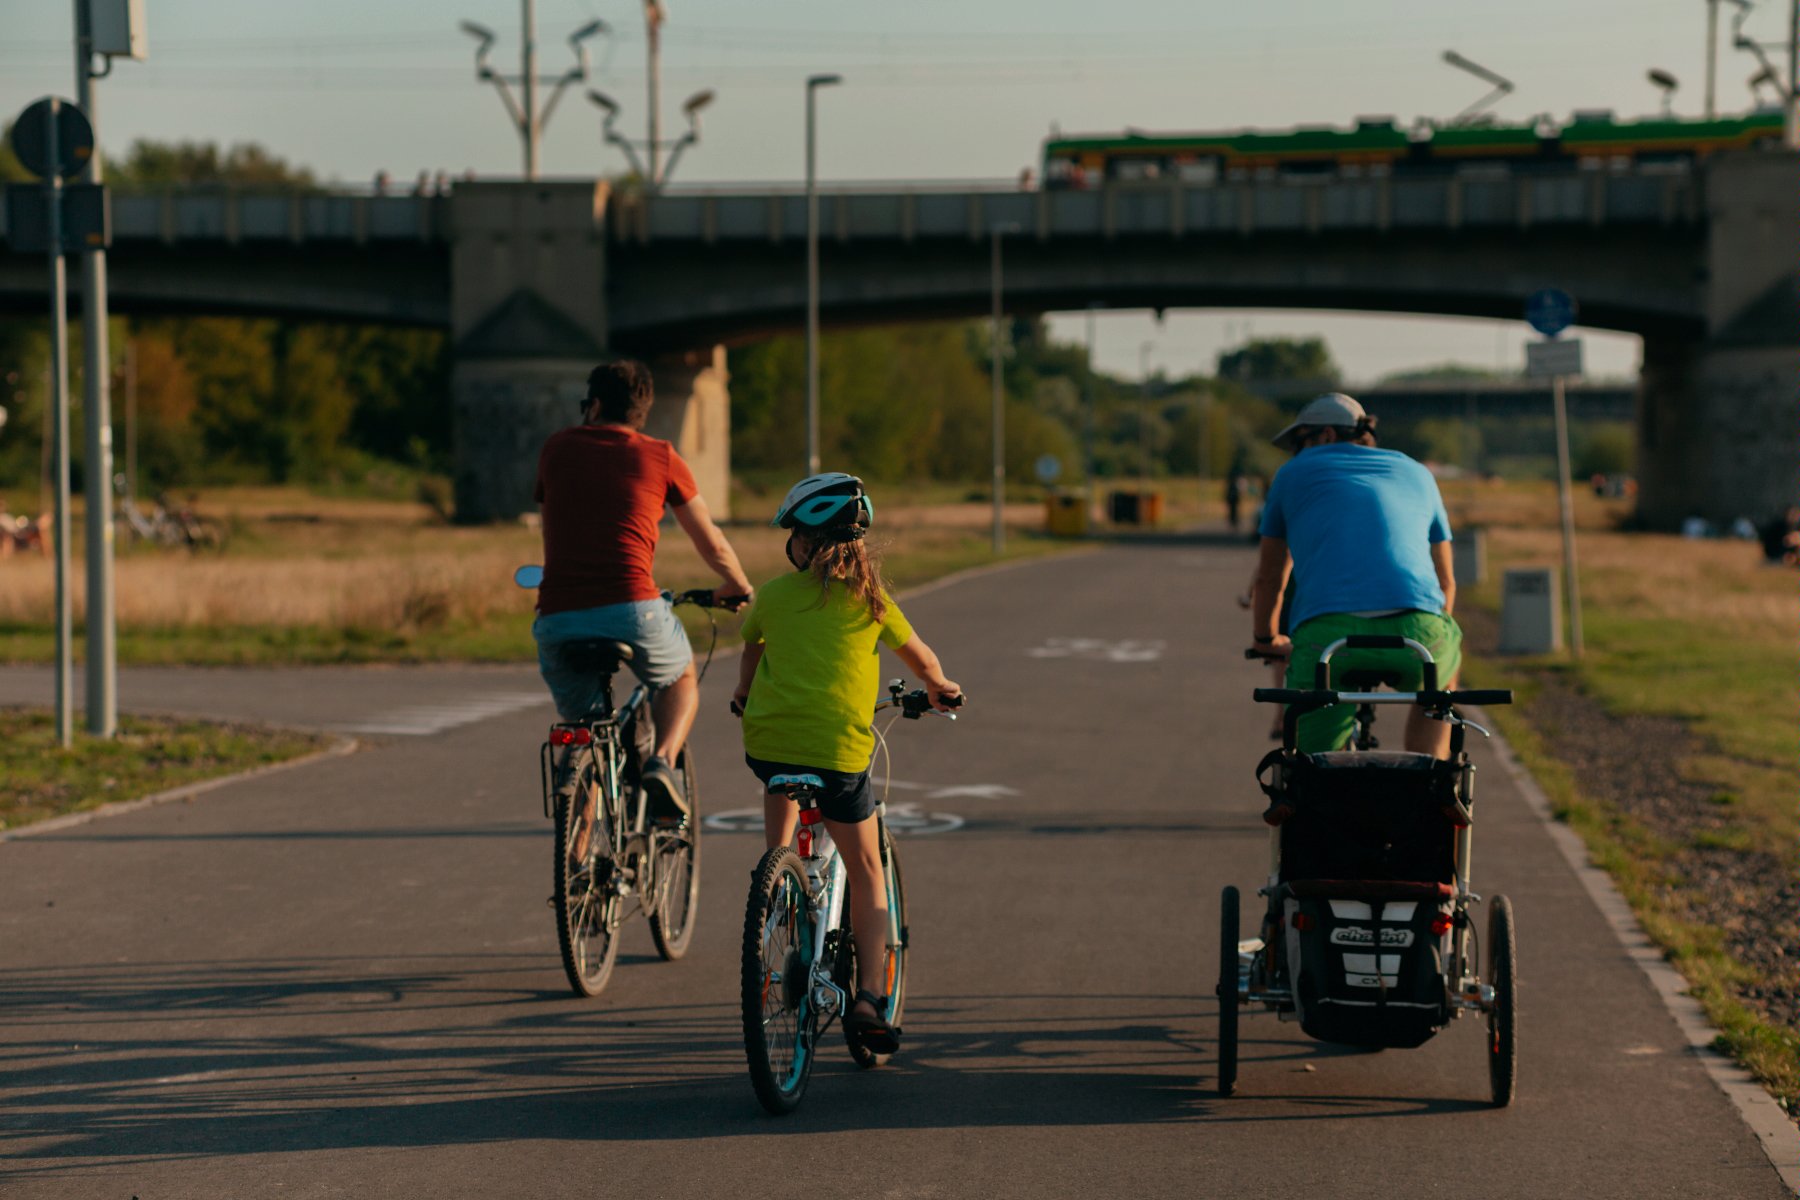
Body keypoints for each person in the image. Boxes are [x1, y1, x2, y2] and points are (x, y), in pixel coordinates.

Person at [732, 473, 962, 1054]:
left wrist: (742, 692)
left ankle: (778, 876)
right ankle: (868, 998)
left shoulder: (772, 596)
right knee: (865, 870)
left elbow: (752, 650)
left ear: (805, 543)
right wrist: (939, 687)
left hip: (767, 747)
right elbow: (924, 658)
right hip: (838, 757)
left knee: (779, 792)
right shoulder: (873, 602)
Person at [533, 359, 753, 824]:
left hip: (557, 616)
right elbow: (709, 539)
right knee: (679, 677)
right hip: (633, 609)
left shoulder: (556, 449)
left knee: (585, 736)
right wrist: (737, 584)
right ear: (642, 412)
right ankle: (662, 763)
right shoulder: (660, 455)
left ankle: (578, 866)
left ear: (593, 405)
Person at [1247, 393, 1461, 759]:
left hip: (1327, 636)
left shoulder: (1291, 474)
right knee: (1438, 692)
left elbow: (1269, 577)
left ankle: (1308, 799)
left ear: (1326, 435)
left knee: (1309, 765)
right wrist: (1430, 628)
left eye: (1299, 444)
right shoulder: (1417, 473)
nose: (1296, 454)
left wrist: (1266, 638)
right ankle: (1434, 777)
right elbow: (1446, 583)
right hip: (1417, 634)